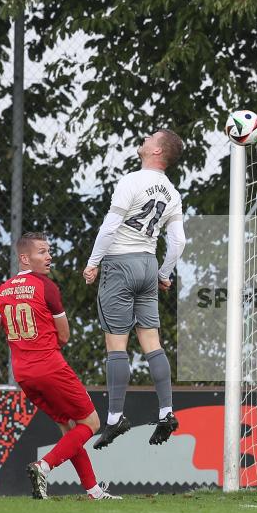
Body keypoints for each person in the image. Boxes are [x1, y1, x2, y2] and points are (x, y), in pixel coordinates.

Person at [0, 232, 120, 500]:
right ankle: (44, 466)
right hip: (50, 367)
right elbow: (64, 335)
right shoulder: (46, 287)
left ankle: (93, 491)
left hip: (24, 375)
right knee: (91, 422)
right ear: (24, 258)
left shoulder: (0, 292)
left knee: (69, 429)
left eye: (48, 251)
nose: (49, 256)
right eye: (42, 251)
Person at [83, 129, 186, 449]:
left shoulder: (131, 181)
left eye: (151, 137)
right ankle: (167, 411)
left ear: (158, 151)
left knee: (116, 346)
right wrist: (165, 273)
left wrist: (93, 261)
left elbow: (111, 226)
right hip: (147, 264)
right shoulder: (172, 192)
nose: (145, 138)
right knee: (152, 342)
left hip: (120, 265)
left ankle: (114, 418)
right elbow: (179, 241)